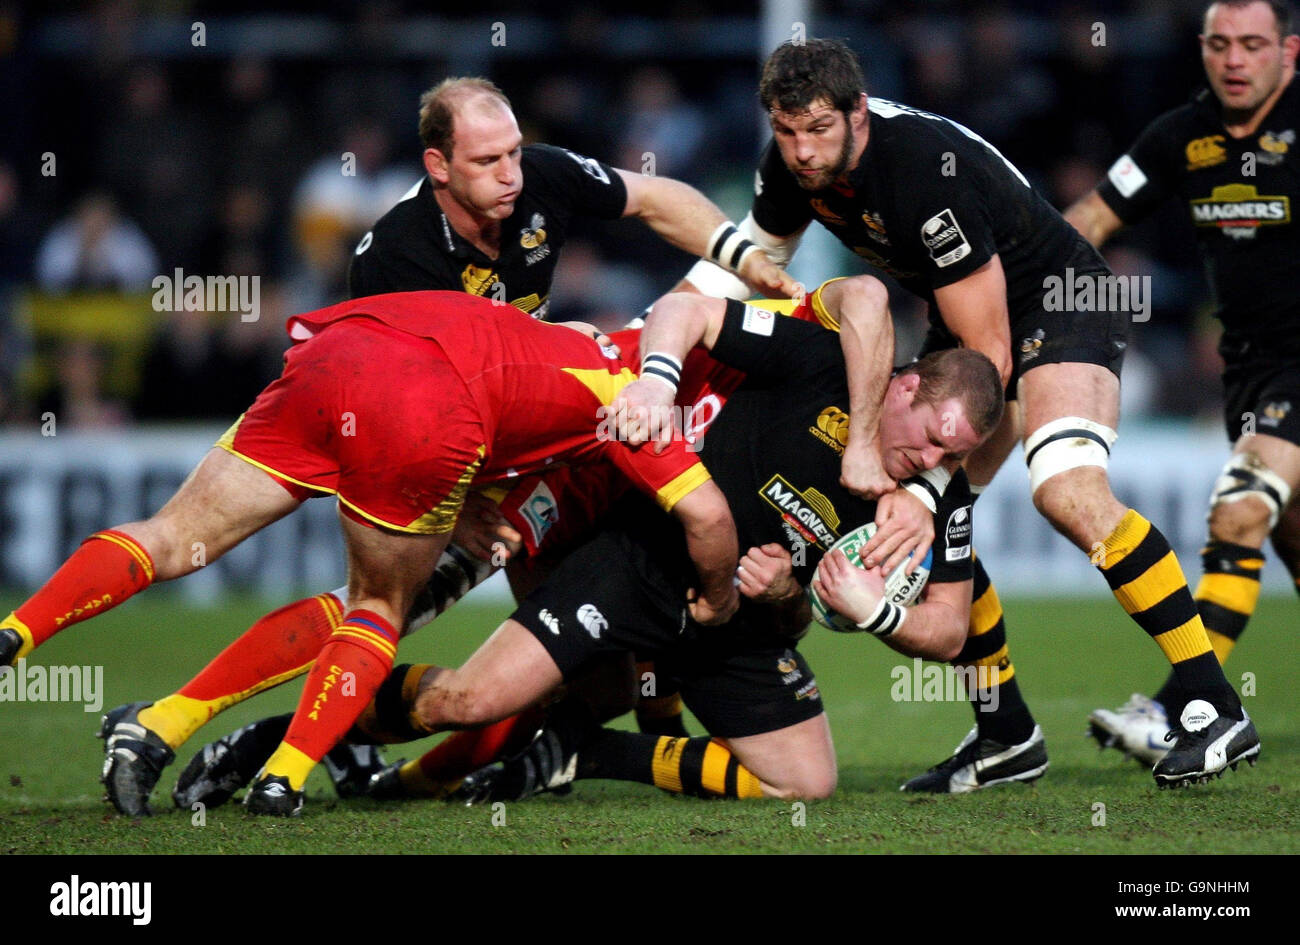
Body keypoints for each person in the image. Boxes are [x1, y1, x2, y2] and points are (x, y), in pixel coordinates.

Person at [673, 37, 1260, 788]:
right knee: (939, 528)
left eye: (818, 130)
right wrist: (639, 351)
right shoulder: (794, 163)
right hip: (965, 328)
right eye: (786, 133)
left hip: (1059, 302)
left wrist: (924, 492)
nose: (803, 151)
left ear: (858, 113)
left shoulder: (917, 173)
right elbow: (744, 261)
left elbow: (991, 362)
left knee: (1062, 490)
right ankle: (1005, 732)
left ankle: (1214, 704)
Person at [0, 290, 741, 816]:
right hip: (426, 408)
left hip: (342, 346)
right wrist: (717, 600)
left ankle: (22, 632)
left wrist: (468, 497)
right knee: (377, 607)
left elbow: (519, 396)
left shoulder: (559, 334)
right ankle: (281, 777)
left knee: (169, 537)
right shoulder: (633, 400)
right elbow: (706, 514)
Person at [1064, 0, 1300, 763]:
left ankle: (1189, 708)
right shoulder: (1180, 136)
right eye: (1222, 44)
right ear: (1203, 49)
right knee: (1280, 532)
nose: (1236, 60)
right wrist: (1028, 280)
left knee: (1238, 510)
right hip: (1251, 369)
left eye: (1254, 45)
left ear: (1289, 52)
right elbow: (1094, 218)